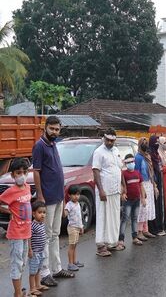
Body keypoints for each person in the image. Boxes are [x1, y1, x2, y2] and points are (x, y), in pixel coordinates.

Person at [32, 116, 74, 285]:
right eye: (52, 129)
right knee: (46, 236)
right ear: (45, 127)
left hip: (57, 197)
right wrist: (40, 196)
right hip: (47, 198)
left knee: (55, 234)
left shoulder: (54, 144)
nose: (55, 132)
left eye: (57, 129)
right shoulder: (39, 146)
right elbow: (36, 172)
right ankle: (45, 273)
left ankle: (56, 269)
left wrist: (63, 197)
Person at [0, 158, 33, 297]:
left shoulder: (27, 187)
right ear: (13, 175)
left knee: (23, 262)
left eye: (24, 172)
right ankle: (18, 294)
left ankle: (18, 291)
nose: (22, 175)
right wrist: (9, 212)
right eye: (18, 173)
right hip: (15, 233)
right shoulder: (10, 191)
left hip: (26, 232)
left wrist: (30, 245)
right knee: (16, 263)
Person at [93, 128, 125, 257]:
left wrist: (123, 185)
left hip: (115, 190)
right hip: (104, 190)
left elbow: (120, 169)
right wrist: (101, 190)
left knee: (114, 217)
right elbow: (95, 171)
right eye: (108, 140)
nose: (110, 143)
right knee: (103, 217)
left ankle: (112, 242)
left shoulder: (116, 151)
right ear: (104, 139)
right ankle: (101, 246)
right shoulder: (98, 152)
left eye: (112, 141)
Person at [119, 154, 145, 247]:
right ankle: (121, 239)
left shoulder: (137, 173)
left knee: (134, 218)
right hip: (128, 200)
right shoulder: (124, 174)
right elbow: (122, 185)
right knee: (125, 219)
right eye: (128, 162)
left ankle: (134, 237)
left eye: (132, 162)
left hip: (137, 199)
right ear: (125, 164)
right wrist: (123, 194)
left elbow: (141, 185)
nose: (131, 164)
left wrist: (143, 198)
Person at [135, 138, 157, 240]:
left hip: (149, 183)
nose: (145, 145)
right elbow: (137, 174)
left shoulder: (147, 156)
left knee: (148, 208)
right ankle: (139, 231)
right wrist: (141, 188)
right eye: (143, 143)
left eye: (146, 143)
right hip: (142, 184)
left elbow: (151, 172)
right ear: (140, 145)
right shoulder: (138, 157)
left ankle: (145, 230)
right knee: (142, 207)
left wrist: (154, 185)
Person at [28, 201, 49, 296]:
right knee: (33, 271)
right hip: (34, 252)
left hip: (41, 251)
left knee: (38, 269)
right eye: (40, 212)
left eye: (44, 212)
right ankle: (32, 288)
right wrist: (30, 249)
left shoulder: (41, 224)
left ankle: (38, 285)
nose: (42, 215)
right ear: (33, 213)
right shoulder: (32, 225)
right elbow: (29, 237)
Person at [149, 135, 166, 236]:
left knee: (160, 203)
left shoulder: (157, 155)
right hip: (154, 182)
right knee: (155, 204)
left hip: (160, 180)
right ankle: (155, 228)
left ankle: (161, 225)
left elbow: (160, 166)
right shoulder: (150, 155)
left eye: (158, 142)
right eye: (155, 142)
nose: (157, 144)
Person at [64, 185, 84, 271]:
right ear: (69, 195)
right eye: (74, 194)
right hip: (72, 227)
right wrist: (63, 204)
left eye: (78, 194)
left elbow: (79, 217)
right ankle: (70, 263)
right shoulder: (69, 204)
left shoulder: (78, 204)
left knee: (75, 245)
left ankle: (74, 261)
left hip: (77, 227)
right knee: (71, 246)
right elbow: (65, 214)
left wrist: (81, 227)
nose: (76, 196)